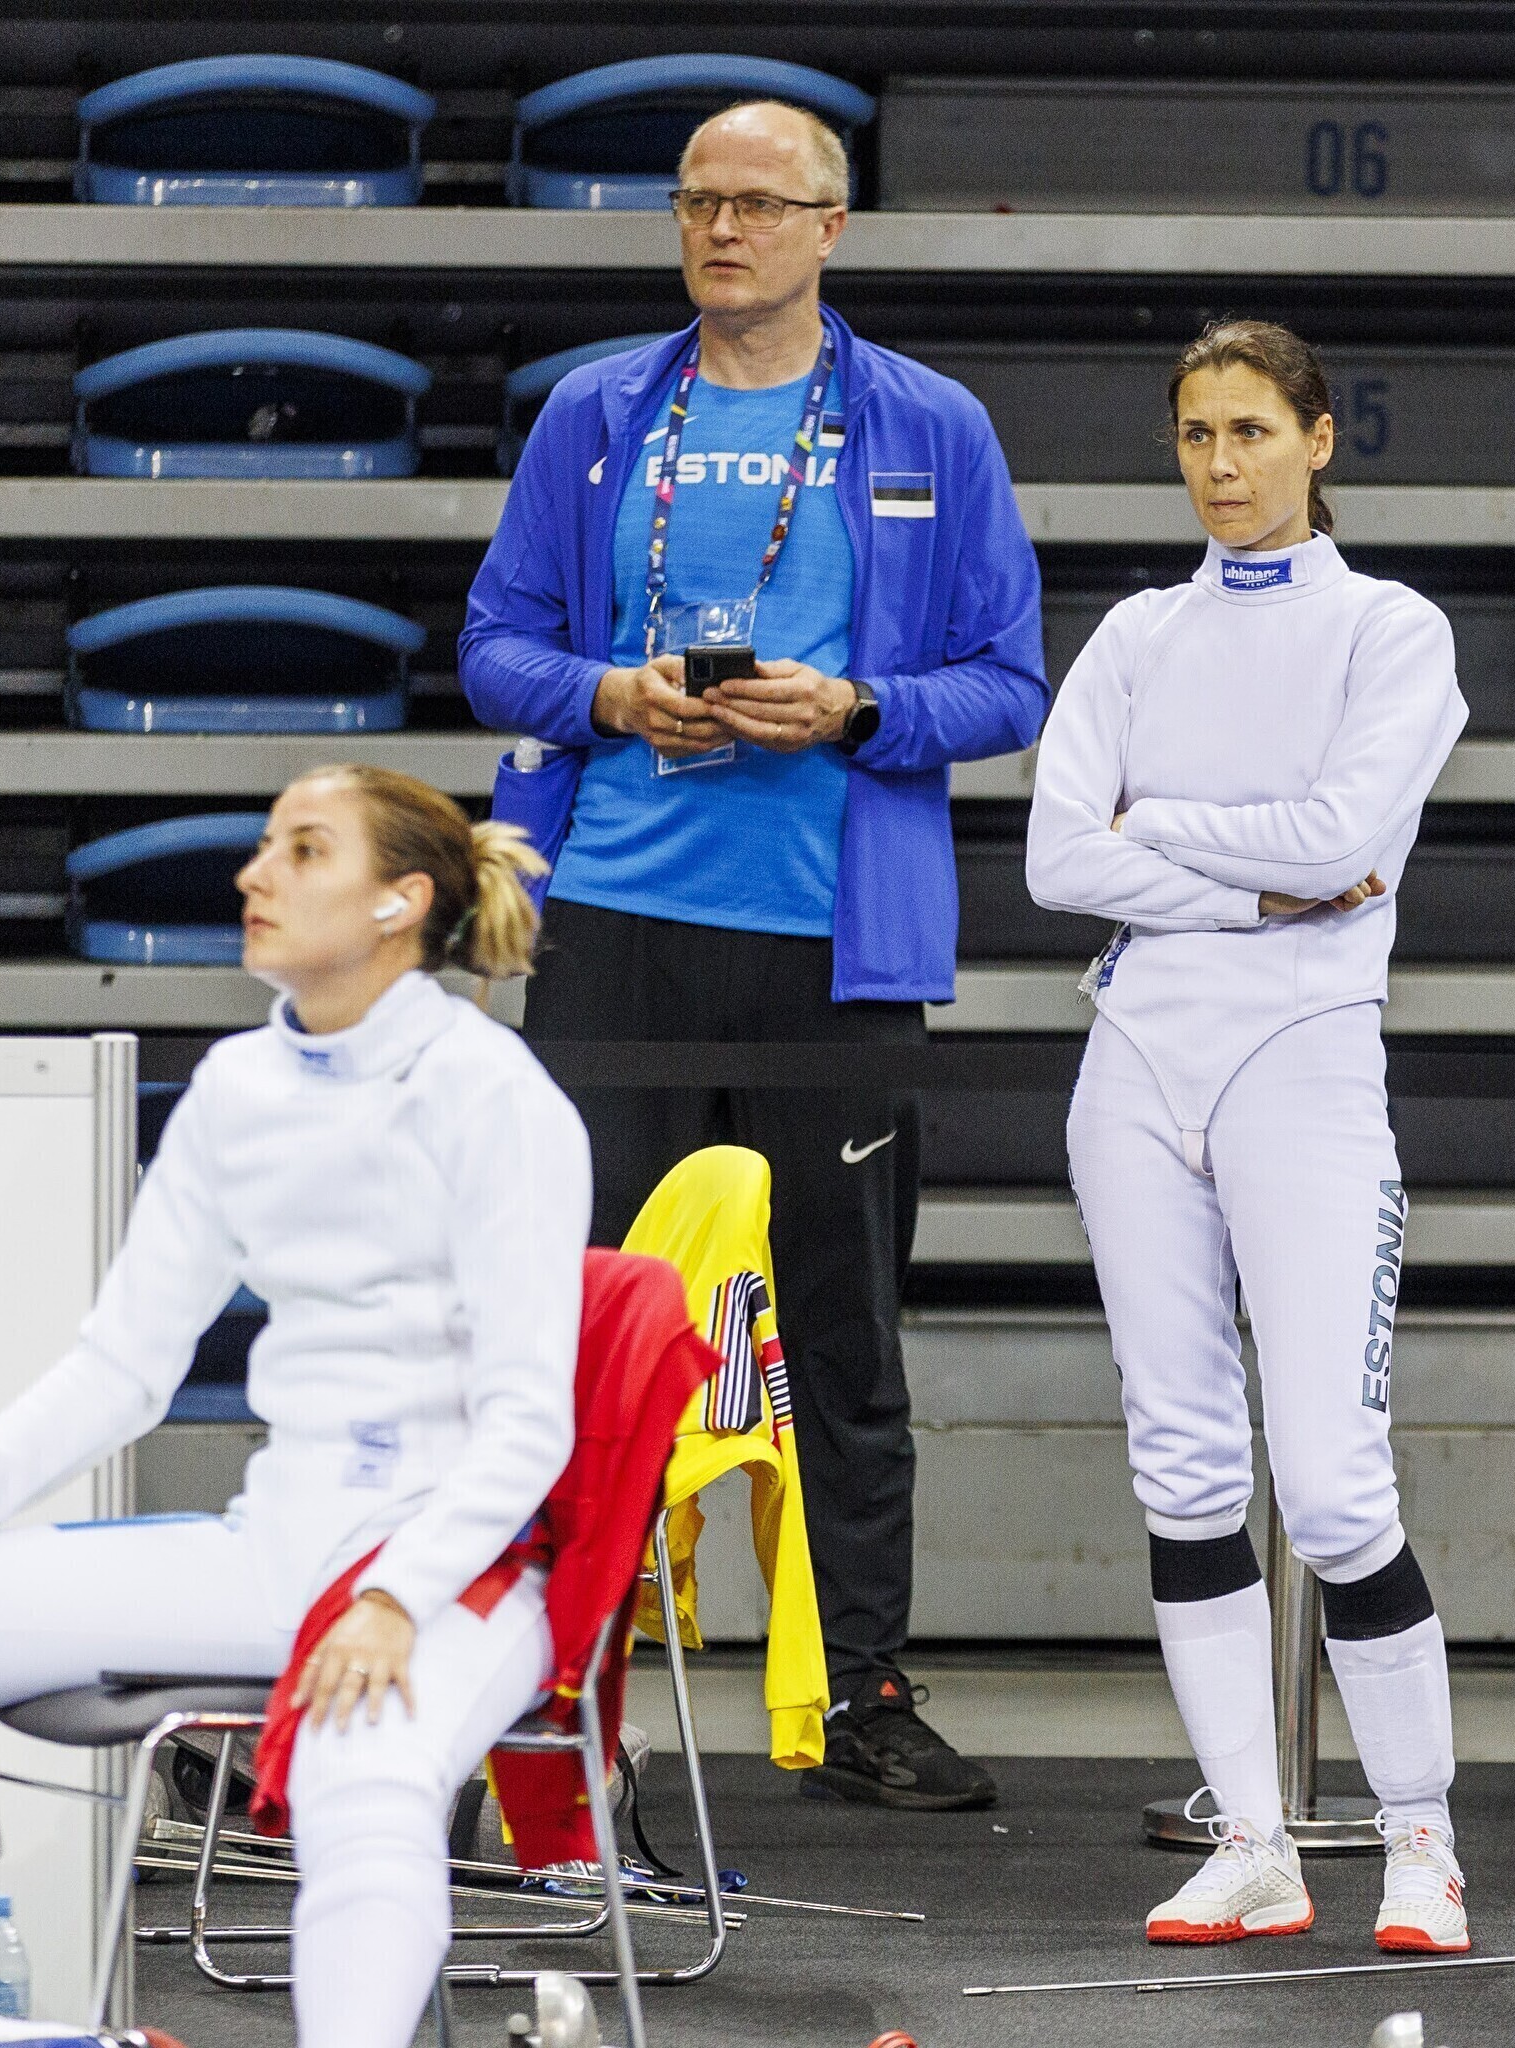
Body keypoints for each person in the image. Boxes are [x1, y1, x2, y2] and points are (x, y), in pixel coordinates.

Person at [460, 97, 1047, 1812]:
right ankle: (550, 1700)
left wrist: (856, 708)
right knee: (581, 1333)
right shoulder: (594, 415)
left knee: (843, 1338)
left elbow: (1010, 683)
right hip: (614, 929)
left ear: (830, 227)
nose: (724, 229)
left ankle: (863, 1692)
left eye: (761, 203)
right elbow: (495, 644)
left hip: (830, 946)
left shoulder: (928, 423)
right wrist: (608, 693)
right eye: (700, 201)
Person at [0, 766, 586, 2046]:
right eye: (266, 845)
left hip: (457, 1568)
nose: (253, 874)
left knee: (360, 1772)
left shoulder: (493, 1095)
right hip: (271, 1545)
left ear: (399, 901)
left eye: (304, 850)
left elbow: (526, 1418)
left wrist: (395, 1597)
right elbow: (120, 1366)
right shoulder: (236, 1087)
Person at [1026, 320, 1471, 1953]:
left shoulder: (1390, 630)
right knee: (1184, 1470)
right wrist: (1250, 880)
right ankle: (1254, 1841)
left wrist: (1156, 829)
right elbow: (1054, 859)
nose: (1221, 464)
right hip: (1138, 1058)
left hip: (1305, 1059)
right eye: (1197, 434)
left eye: (1252, 431)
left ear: (1318, 439)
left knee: (1336, 1486)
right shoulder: (1139, 632)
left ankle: (1421, 1842)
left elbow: (1347, 834)